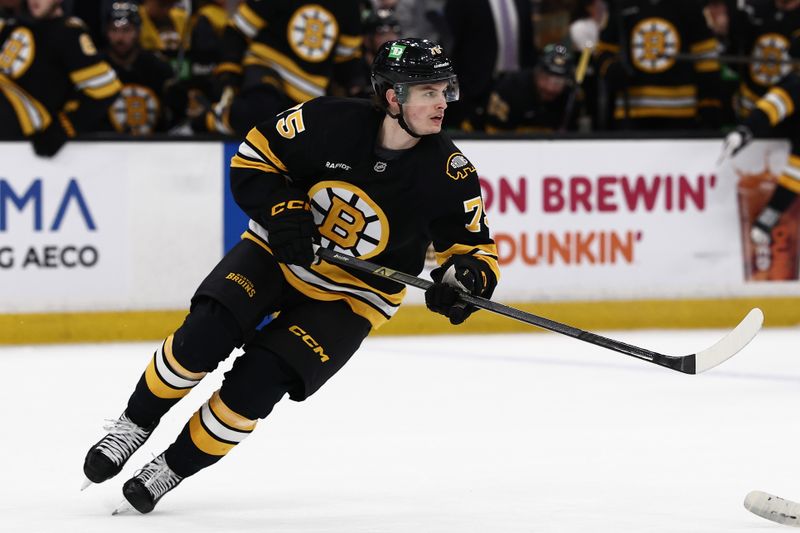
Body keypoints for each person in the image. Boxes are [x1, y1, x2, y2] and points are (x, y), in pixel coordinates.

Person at [81, 37, 500, 514]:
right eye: (427, 91)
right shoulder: (327, 122)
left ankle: (171, 467)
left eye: (444, 89)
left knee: (257, 386)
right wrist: (282, 206)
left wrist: (466, 282)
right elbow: (253, 158)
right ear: (392, 96)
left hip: (354, 297)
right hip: (277, 256)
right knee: (202, 337)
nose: (441, 102)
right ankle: (135, 423)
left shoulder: (451, 172)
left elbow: (475, 252)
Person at [195, 0, 365, 136]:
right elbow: (238, 31)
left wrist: (358, 87)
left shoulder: (349, 6)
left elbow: (347, 59)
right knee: (260, 108)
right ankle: (209, 119)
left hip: (309, 91)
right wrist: (229, 69)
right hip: (266, 67)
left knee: (310, 137)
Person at [0, 0, 122, 156]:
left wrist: (63, 128)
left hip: (21, 139)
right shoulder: (14, 25)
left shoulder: (68, 33)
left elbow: (107, 90)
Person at [719, 69, 800, 275]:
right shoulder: (795, 84)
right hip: (778, 132)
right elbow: (771, 108)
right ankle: (769, 217)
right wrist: (745, 132)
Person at [596, 0, 723, 130]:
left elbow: (706, 58)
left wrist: (709, 105)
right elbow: (603, 50)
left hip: (681, 111)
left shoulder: (690, 5)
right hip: (632, 111)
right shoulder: (621, 4)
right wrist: (610, 66)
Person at [101, 1, 175, 135]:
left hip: (153, 145)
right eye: (114, 30)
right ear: (106, 32)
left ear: (138, 31)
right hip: (105, 145)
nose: (120, 38)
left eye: (126, 30)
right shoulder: (97, 68)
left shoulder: (158, 68)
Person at [484, 43, 576, 133]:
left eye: (558, 82)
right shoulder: (509, 89)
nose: (550, 88)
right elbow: (495, 135)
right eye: (545, 78)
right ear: (537, 71)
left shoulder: (571, 96)